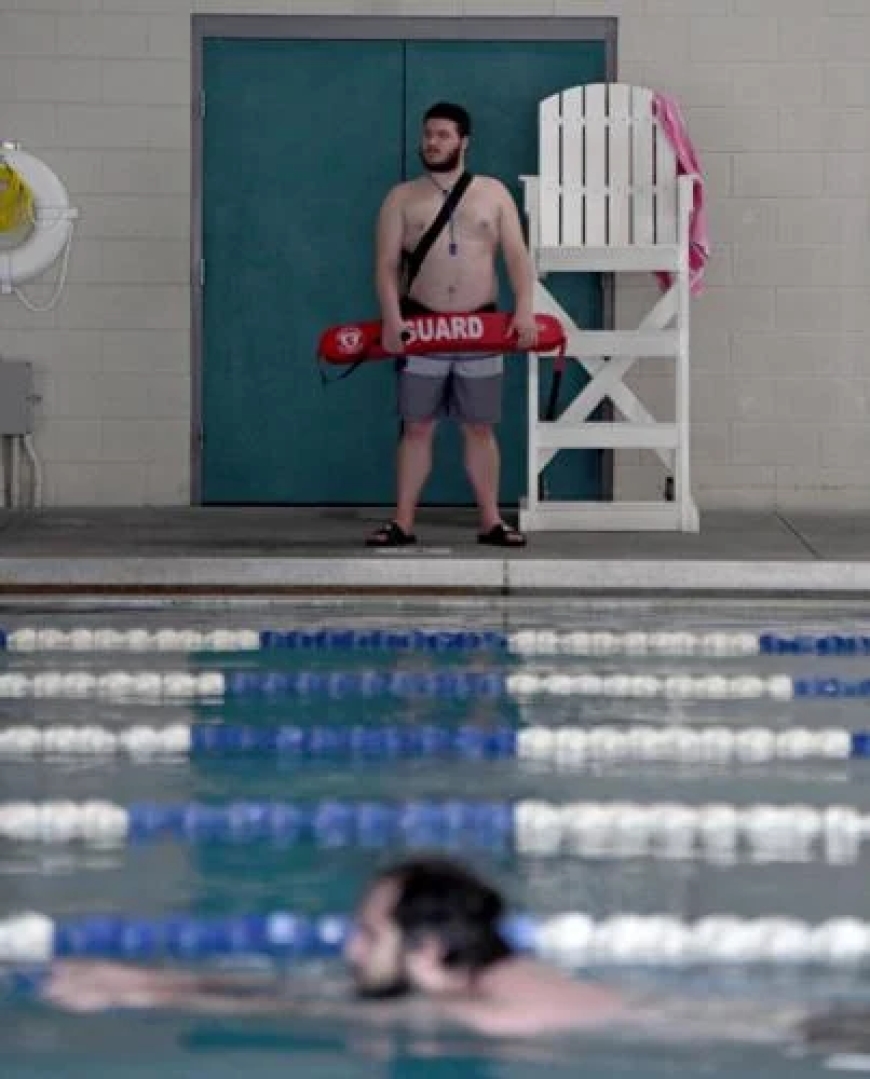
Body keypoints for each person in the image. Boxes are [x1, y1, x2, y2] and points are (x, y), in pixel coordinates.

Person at [24, 855, 870, 1053]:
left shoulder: (482, 1006)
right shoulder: (492, 976)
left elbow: (291, 1006)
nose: (346, 944)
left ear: (428, 950)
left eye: (366, 933)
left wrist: (142, 986)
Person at [365, 102, 537, 550]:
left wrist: (525, 309)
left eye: (442, 134)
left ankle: (491, 521)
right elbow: (384, 266)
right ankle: (402, 522)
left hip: (480, 329)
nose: (432, 142)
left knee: (480, 427)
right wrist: (391, 320)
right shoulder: (401, 197)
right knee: (417, 426)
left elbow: (517, 257)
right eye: (428, 134)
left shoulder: (494, 193)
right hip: (421, 327)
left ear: (464, 141)